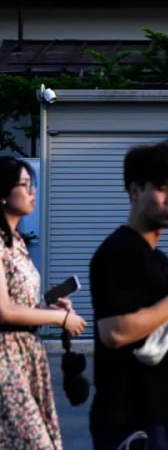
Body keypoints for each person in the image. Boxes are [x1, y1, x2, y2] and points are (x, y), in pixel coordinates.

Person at [90, 140, 168, 450]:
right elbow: (115, 331)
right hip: (128, 420)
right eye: (162, 188)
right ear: (134, 191)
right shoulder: (118, 252)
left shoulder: (159, 260)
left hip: (164, 413)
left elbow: (161, 330)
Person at [0, 156, 87, 449]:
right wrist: (60, 320)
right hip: (5, 359)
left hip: (25, 355)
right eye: (25, 185)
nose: (32, 192)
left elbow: (19, 306)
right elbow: (4, 310)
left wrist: (47, 309)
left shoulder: (17, 242)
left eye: (32, 184)